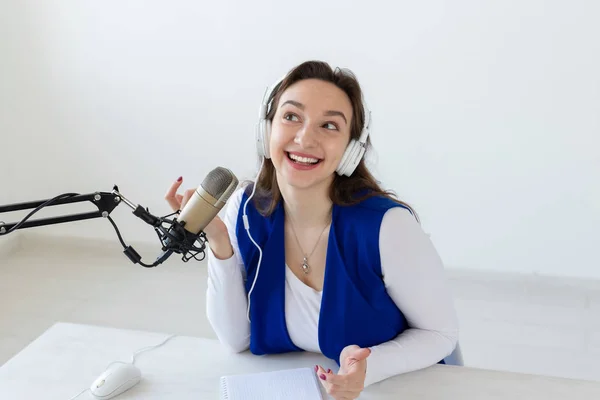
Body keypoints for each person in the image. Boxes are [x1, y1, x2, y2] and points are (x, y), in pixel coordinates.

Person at [165, 60, 459, 399]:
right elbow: (236, 340)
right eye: (291, 117)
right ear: (266, 130)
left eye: (330, 125)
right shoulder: (245, 212)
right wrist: (219, 242)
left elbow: (440, 333)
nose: (305, 138)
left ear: (351, 150)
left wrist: (369, 368)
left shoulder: (387, 228)